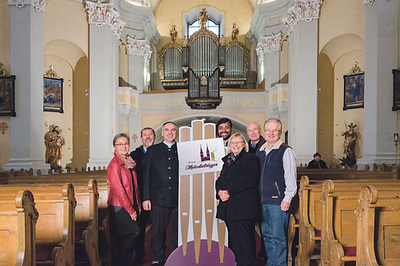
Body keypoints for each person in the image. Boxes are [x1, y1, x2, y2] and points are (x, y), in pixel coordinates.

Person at [255, 118, 297, 266]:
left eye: (275, 130)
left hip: (277, 202)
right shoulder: (260, 151)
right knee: (266, 236)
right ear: (264, 132)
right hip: (261, 201)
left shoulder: (286, 151)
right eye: (268, 130)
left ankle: (279, 264)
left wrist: (287, 198)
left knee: (277, 237)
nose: (271, 133)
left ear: (279, 132)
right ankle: (271, 263)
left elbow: (290, 177)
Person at [216, 133, 259, 266]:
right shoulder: (227, 160)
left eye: (238, 142)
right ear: (229, 145)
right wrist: (219, 192)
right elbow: (220, 180)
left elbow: (247, 180)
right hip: (230, 208)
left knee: (244, 242)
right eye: (233, 142)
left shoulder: (250, 159)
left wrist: (228, 191)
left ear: (244, 144)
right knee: (234, 241)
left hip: (243, 208)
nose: (235, 145)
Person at [143, 122, 179, 265]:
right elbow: (146, 176)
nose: (170, 132)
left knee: (177, 231)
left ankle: (174, 257)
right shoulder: (153, 151)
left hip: (178, 198)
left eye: (173, 130)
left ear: (176, 133)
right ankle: (157, 258)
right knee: (158, 231)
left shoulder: (182, 149)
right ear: (162, 133)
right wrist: (146, 198)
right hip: (158, 198)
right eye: (167, 130)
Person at [107, 133, 141, 266]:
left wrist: (136, 204)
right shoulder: (114, 165)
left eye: (126, 144)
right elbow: (119, 190)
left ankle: (126, 261)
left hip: (130, 203)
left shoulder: (128, 161)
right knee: (134, 232)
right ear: (115, 147)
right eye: (120, 144)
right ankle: (120, 261)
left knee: (128, 235)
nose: (123, 146)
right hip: (120, 206)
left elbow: (134, 185)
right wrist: (130, 210)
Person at [130, 127, 156, 261]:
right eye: (145, 135)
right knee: (140, 226)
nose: (148, 137)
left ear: (154, 136)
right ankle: (139, 253)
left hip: (157, 195)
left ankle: (157, 254)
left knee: (158, 227)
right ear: (141, 138)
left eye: (150, 134)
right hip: (140, 196)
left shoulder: (159, 152)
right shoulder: (134, 155)